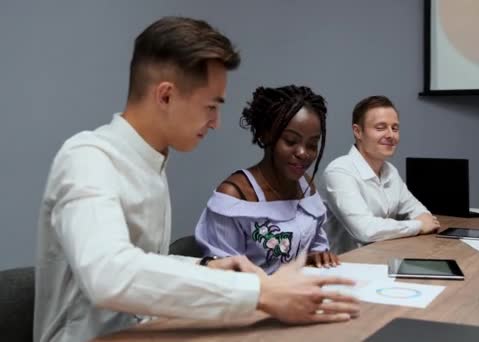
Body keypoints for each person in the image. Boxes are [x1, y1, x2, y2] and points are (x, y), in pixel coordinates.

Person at [34, 17, 358, 342]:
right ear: (165, 96)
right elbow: (110, 274)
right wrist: (259, 291)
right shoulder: (88, 159)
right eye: (210, 106)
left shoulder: (150, 165)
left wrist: (205, 267)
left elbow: (144, 264)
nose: (215, 122)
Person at [195, 85, 339, 273]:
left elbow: (315, 246)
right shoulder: (235, 196)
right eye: (290, 141)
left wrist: (316, 256)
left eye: (312, 145)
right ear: (266, 135)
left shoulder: (307, 187)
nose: (303, 153)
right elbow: (223, 276)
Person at [322, 96, 440, 254]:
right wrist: (417, 225)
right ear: (358, 131)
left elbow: (420, 212)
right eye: (380, 127)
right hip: (346, 266)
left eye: (395, 128)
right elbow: (365, 230)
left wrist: (421, 221)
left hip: (382, 257)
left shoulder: (390, 170)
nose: (391, 135)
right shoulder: (339, 171)